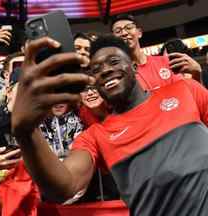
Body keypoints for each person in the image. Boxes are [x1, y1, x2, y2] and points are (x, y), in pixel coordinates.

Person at [11, 35, 208, 215]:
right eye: (95, 70)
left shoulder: (186, 90)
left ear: (133, 65)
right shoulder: (96, 136)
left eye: (113, 61)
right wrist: (26, 132)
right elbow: (64, 187)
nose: (105, 70)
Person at [110, 14, 202, 88]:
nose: (124, 33)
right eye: (118, 31)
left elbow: (190, 93)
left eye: (129, 27)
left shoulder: (166, 62)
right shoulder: (118, 75)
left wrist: (196, 73)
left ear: (139, 33)